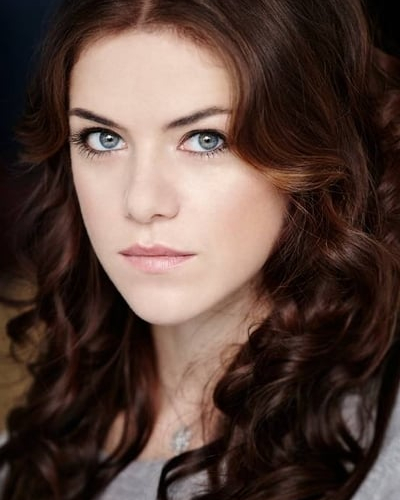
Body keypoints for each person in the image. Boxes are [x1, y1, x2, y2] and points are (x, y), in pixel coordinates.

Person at [1, 0, 400, 499]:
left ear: (312, 153)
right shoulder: (29, 450)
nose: (141, 202)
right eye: (103, 139)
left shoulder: (383, 459)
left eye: (206, 139)